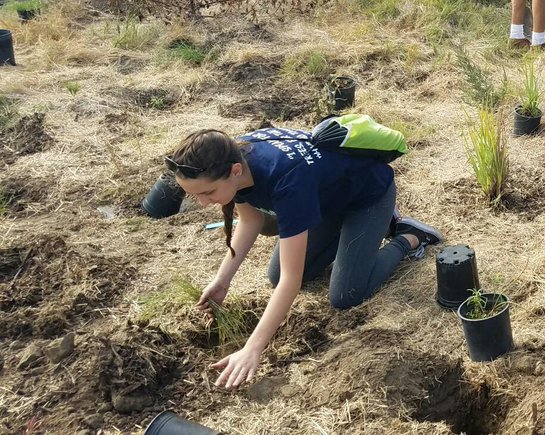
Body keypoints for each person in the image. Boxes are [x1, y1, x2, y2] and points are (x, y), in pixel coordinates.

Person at [165, 127, 444, 389]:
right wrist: (222, 280)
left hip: (367, 196)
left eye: (208, 193)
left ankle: (407, 235)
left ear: (235, 171)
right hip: (324, 202)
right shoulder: (233, 156)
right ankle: (361, 234)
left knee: (346, 294)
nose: (203, 203)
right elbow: (250, 221)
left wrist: (253, 348)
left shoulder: (286, 180)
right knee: (274, 275)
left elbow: (292, 281)